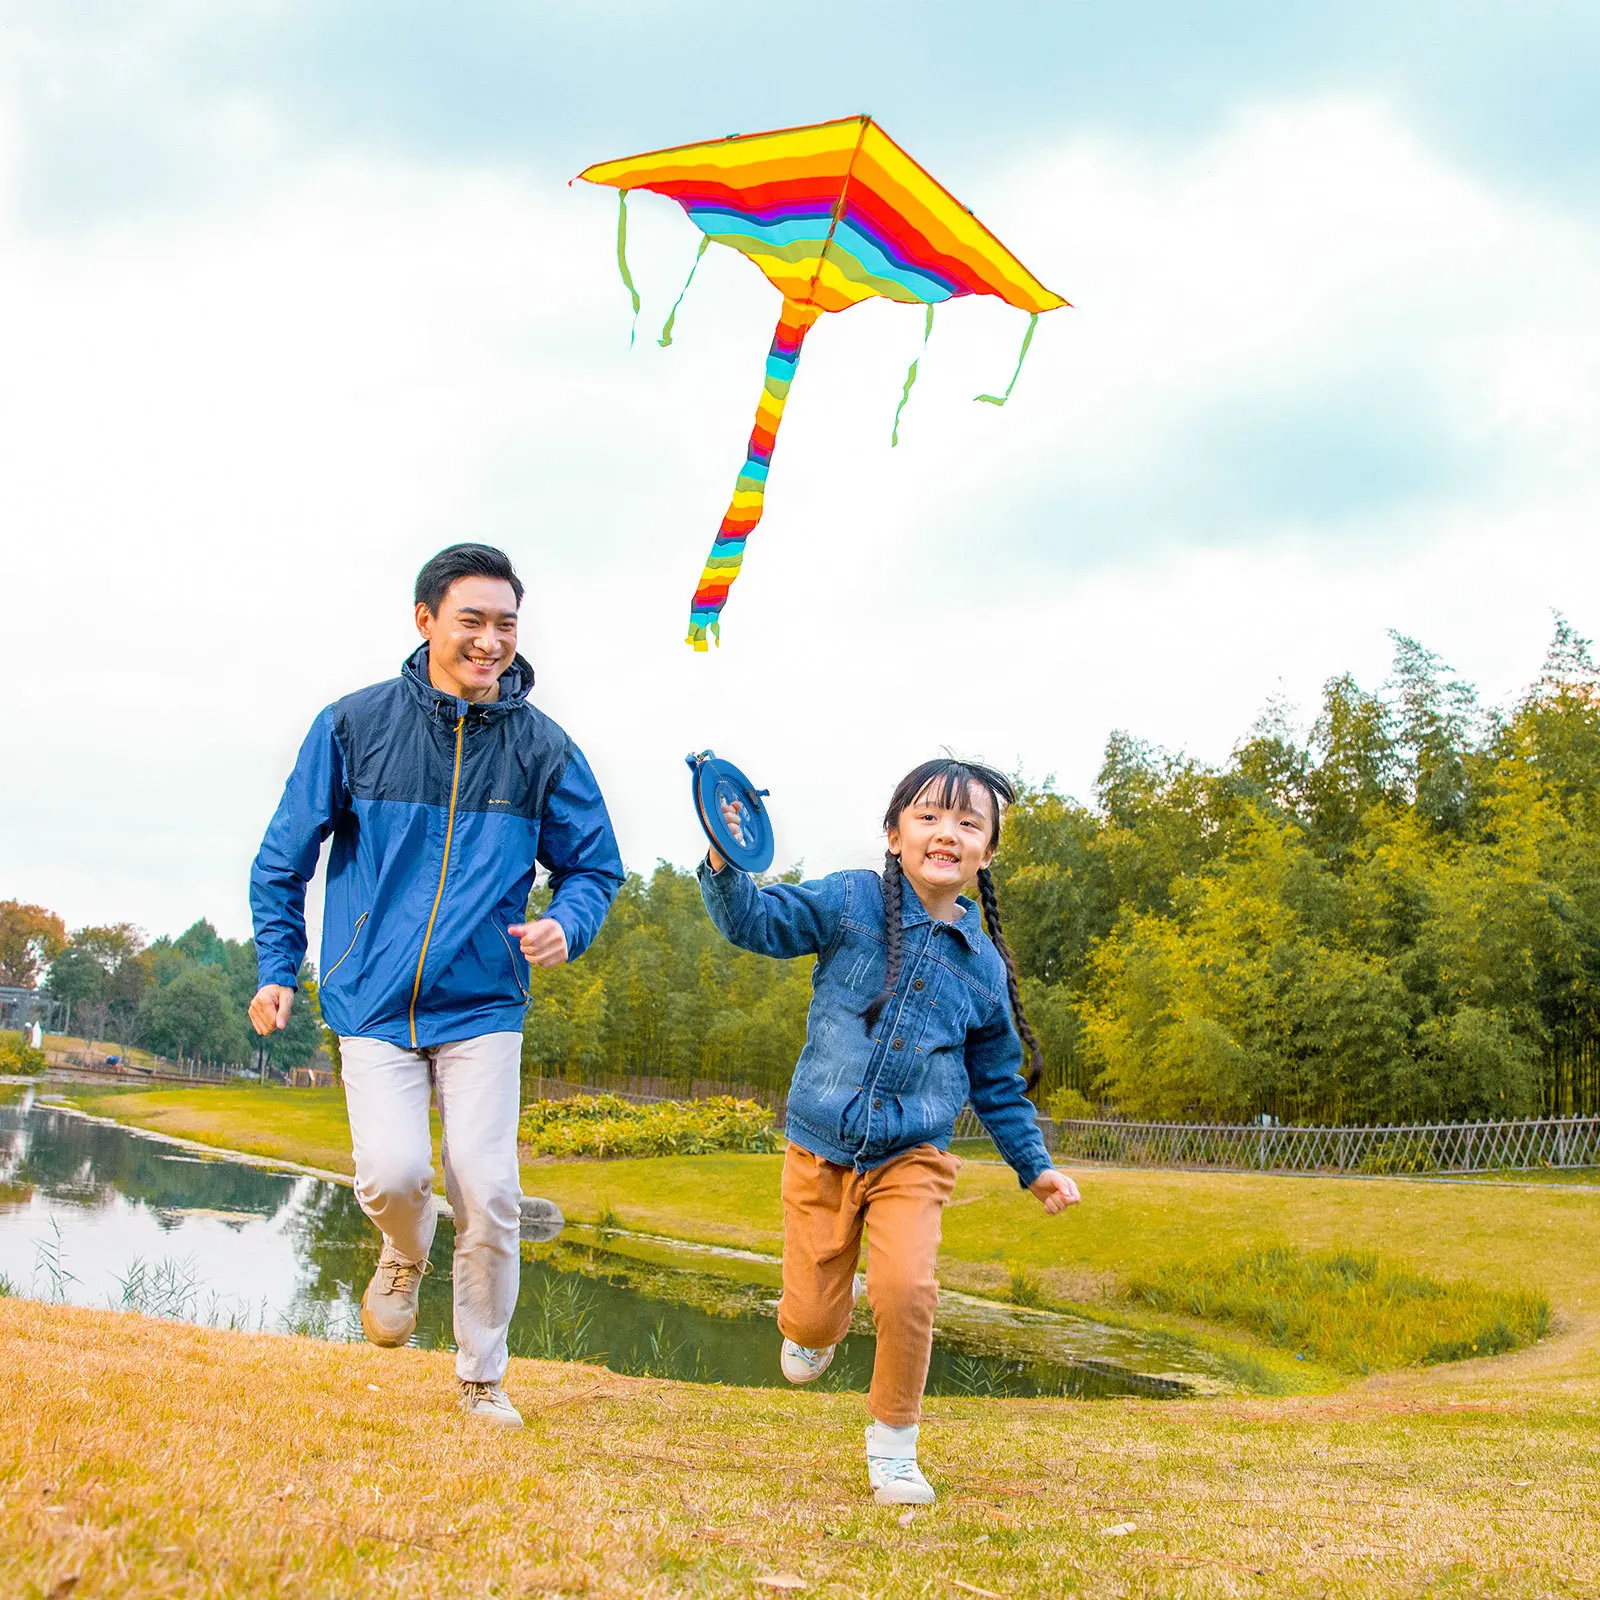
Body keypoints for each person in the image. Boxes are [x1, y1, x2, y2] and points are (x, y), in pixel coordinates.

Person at [248, 543, 624, 1426]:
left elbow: (595, 868)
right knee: (391, 1173)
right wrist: (278, 968)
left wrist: (568, 923)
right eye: (473, 620)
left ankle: (482, 1377)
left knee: (487, 1186)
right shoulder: (353, 725)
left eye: (506, 624)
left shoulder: (544, 750)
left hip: (484, 1002)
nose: (491, 641)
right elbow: (282, 860)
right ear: (426, 620)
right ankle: (404, 1253)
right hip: (370, 998)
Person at [697, 757, 1080, 1506]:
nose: (949, 833)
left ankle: (895, 1449)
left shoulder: (983, 970)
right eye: (931, 815)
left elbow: (997, 1084)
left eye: (970, 824)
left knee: (907, 1289)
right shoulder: (849, 901)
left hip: (914, 1154)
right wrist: (724, 853)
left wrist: (1034, 1166)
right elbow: (753, 920)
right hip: (819, 1146)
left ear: (988, 853)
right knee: (810, 1320)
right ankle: (811, 1328)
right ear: (894, 832)